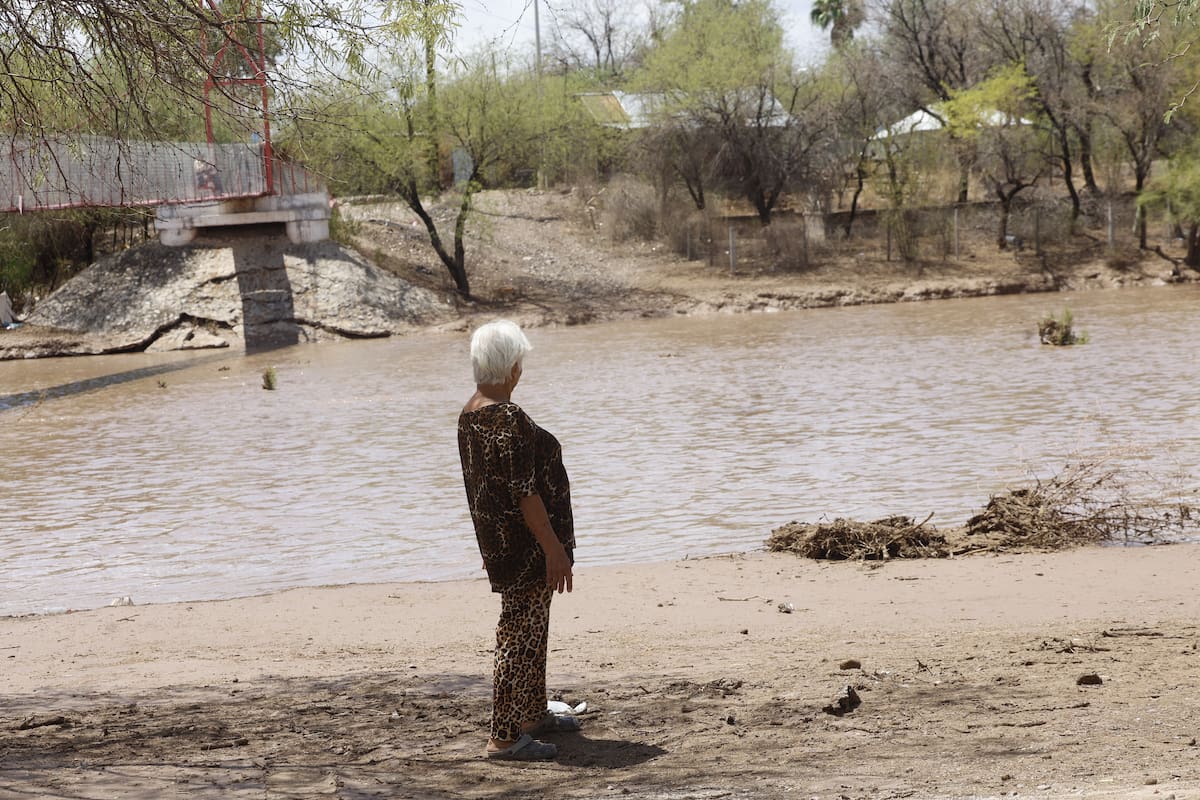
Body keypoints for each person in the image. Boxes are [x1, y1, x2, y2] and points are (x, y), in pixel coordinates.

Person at [457, 319, 579, 761]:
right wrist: (554, 548)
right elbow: (524, 492)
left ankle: (531, 715)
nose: (521, 369)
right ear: (511, 367)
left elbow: (481, 490)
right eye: (520, 362)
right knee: (516, 635)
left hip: (505, 545)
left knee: (532, 630)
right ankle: (504, 737)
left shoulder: (471, 412)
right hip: (526, 547)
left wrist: (488, 550)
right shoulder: (506, 418)